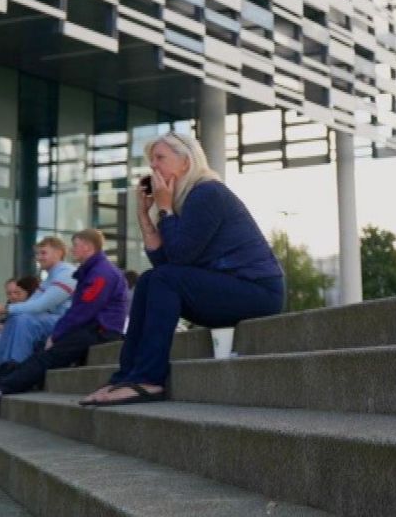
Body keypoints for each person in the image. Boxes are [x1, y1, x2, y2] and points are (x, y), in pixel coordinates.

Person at [81, 132, 285, 407]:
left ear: (186, 162)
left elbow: (178, 259)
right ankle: (126, 376)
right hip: (223, 289)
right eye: (151, 161)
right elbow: (165, 268)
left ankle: (149, 379)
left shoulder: (208, 192)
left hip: (257, 291)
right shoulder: (187, 201)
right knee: (149, 280)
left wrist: (164, 208)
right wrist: (145, 216)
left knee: (162, 278)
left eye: (160, 158)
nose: (153, 167)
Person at [0, 229, 128, 412]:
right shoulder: (93, 271)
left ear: (88, 247)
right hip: (91, 328)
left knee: (44, 356)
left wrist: (57, 334)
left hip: (100, 331)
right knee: (39, 352)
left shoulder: (101, 273)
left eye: (75, 245)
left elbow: (82, 310)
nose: (72, 250)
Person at [0, 236, 76, 368]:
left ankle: (16, 368)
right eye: (37, 253)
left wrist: (3, 308)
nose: (38, 257)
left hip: (68, 323)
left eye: (43, 253)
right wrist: (2, 310)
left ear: (59, 253)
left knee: (24, 320)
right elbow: (29, 304)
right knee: (17, 316)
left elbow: (41, 305)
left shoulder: (67, 274)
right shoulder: (50, 277)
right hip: (56, 321)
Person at [0, 275, 41, 370]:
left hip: (30, 345)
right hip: (9, 344)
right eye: (9, 293)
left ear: (25, 292)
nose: (13, 296)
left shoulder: (31, 304)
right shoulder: (9, 304)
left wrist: (4, 328)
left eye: (16, 292)